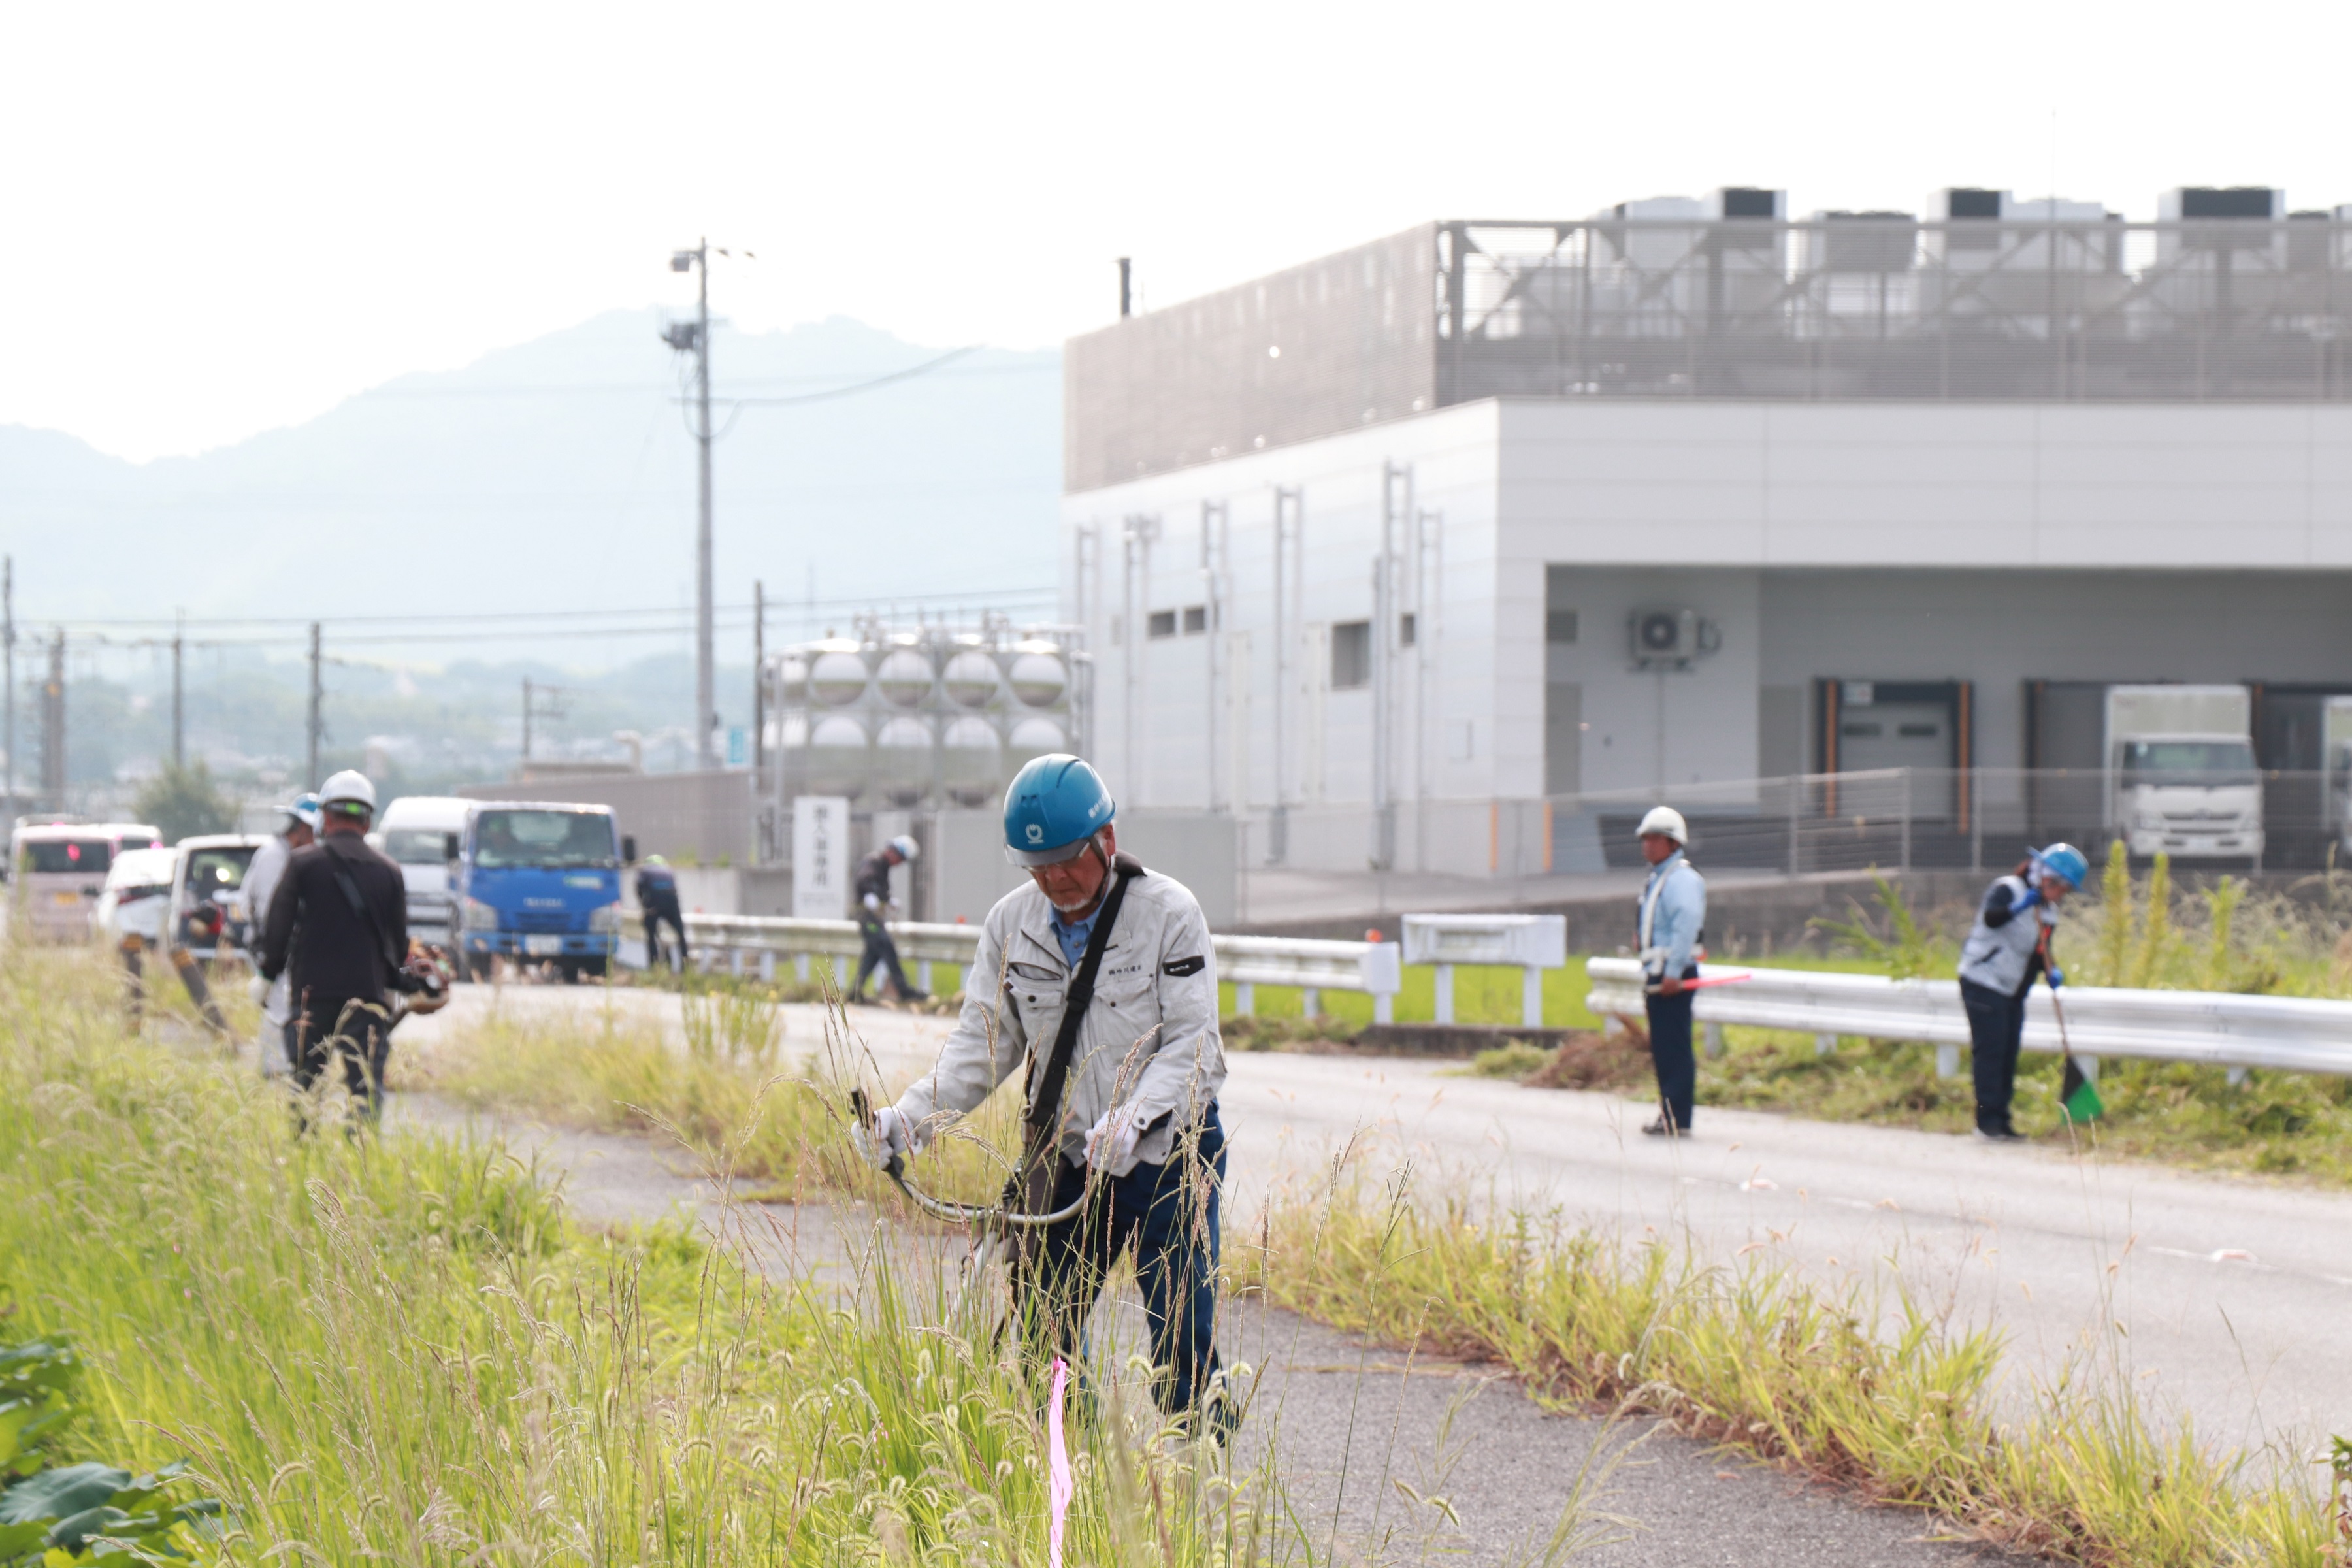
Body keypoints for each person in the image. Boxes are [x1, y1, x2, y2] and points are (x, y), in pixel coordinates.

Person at [857, 755, 1233, 1439]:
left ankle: (1206, 1478)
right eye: (1037, 864)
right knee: (1041, 1329)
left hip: (1170, 1155)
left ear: (1106, 841)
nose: (1055, 879)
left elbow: (1194, 1047)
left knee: (1181, 1343)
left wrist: (1136, 1115)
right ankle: (1075, 1474)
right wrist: (910, 1118)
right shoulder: (1011, 925)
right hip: (1069, 1158)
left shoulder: (1169, 914)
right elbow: (982, 1044)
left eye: (1067, 860)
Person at [258, 771, 414, 1125]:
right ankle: (358, 1159)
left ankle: (304, 1156)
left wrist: (267, 975)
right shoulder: (390, 871)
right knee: (365, 1088)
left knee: (306, 1086)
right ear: (368, 820)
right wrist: (392, 984)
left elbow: (278, 927)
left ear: (325, 817)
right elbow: (398, 942)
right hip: (368, 997)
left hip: (311, 996)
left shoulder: (302, 865)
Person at [1957, 843, 2087, 1141]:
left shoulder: (2049, 912)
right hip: (1982, 980)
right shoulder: (2008, 889)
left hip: (2012, 990)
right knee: (1990, 1054)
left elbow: (2041, 950)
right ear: (2047, 879)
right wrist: (2020, 907)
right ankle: (1986, 1123)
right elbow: (1992, 918)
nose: (2062, 895)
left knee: (2007, 1054)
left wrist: (2050, 970)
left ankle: (2002, 1122)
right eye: (2062, 888)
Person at [1635, 806, 1707, 1137]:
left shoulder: (1681, 879)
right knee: (1664, 1048)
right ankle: (1669, 1115)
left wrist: (1674, 972)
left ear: (1673, 843)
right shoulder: (1659, 878)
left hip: (1673, 975)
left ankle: (1678, 1117)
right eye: (1645, 839)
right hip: (1661, 973)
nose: (1647, 845)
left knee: (1674, 1047)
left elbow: (1686, 925)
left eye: (1655, 839)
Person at [241, 794, 320, 1077]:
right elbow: (269, 913)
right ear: (300, 829)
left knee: (286, 1009)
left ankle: (283, 1068)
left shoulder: (288, 855)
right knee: (279, 1012)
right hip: (273, 950)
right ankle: (275, 1072)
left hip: (284, 951)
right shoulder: (274, 857)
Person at [849, 834, 927, 1002]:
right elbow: (864, 880)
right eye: (900, 859)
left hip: (873, 918)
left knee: (873, 955)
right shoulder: (875, 862)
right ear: (894, 853)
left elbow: (879, 888)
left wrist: (887, 899)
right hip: (868, 919)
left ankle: (854, 993)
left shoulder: (882, 866)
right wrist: (870, 895)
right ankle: (904, 991)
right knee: (887, 948)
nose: (899, 863)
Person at [635, 852, 687, 972]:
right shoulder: (668, 870)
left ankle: (653, 965)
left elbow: (639, 888)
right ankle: (685, 964)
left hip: (654, 902)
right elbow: (674, 889)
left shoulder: (644, 871)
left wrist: (645, 906)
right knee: (680, 933)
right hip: (671, 902)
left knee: (651, 934)